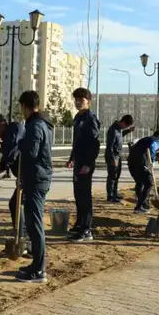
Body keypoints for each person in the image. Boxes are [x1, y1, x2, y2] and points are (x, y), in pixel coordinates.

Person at [13, 91, 53, 283]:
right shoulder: (42, 123)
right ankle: (36, 264)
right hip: (36, 178)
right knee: (32, 223)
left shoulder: (36, 125)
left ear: (24, 106)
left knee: (35, 225)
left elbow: (31, 153)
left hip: (37, 180)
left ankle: (39, 270)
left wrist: (21, 143)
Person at [66, 88, 100, 242]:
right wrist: (72, 158)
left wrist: (88, 163)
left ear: (89, 101)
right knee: (78, 195)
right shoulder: (77, 117)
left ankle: (86, 229)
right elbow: (77, 142)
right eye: (76, 99)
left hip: (86, 163)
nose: (78, 102)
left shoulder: (90, 118)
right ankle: (79, 224)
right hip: (78, 161)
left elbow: (94, 143)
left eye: (81, 99)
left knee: (85, 196)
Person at [127, 130, 159, 214]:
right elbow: (152, 147)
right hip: (139, 163)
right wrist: (152, 162)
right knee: (149, 183)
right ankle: (139, 206)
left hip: (131, 162)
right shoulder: (155, 140)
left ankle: (142, 204)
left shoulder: (145, 139)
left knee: (139, 183)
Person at [105, 114, 135, 202]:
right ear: (123, 122)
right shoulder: (113, 130)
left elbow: (120, 135)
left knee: (116, 176)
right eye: (126, 126)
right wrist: (112, 159)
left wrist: (128, 130)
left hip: (118, 155)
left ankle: (115, 194)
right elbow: (109, 146)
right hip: (113, 156)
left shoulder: (119, 129)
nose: (125, 127)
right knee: (112, 176)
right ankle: (110, 196)